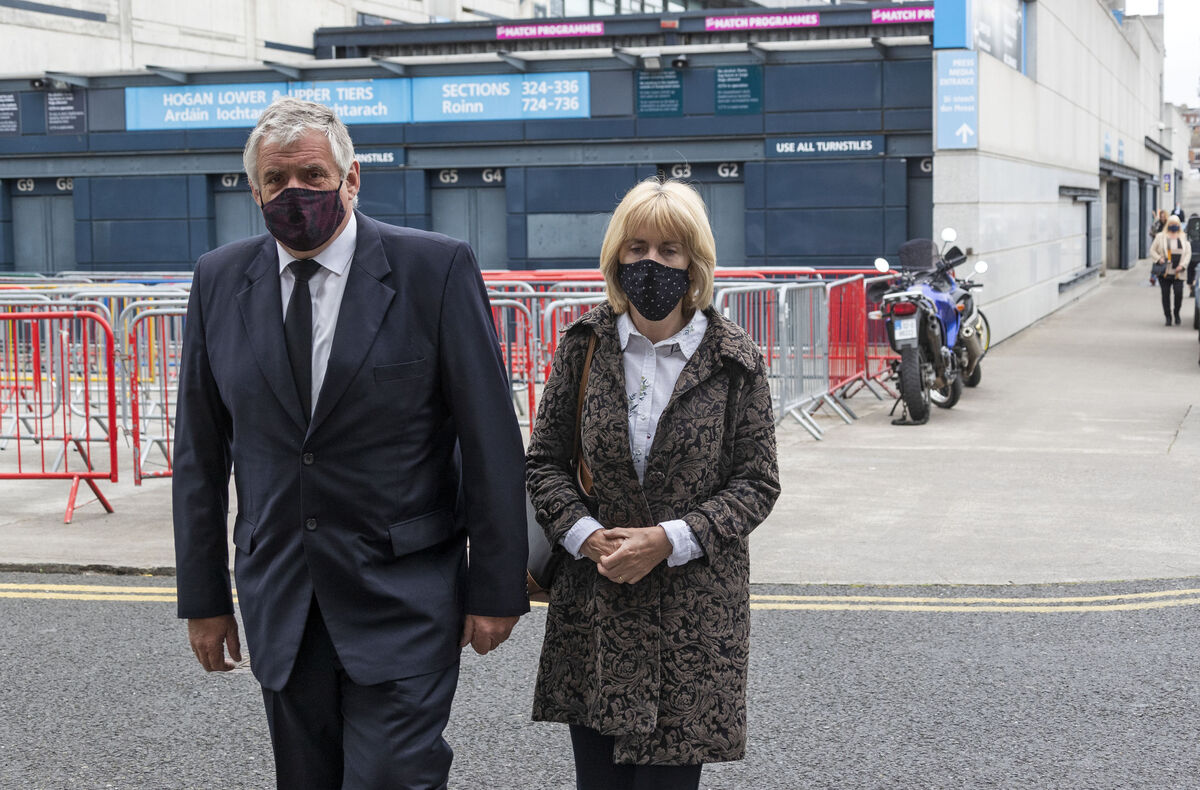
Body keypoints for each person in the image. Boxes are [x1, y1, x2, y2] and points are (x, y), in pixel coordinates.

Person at [172, 97, 529, 789]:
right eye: (276, 181)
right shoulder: (218, 280)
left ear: (352, 178)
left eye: (312, 174)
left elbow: (491, 441)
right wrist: (205, 598)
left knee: (393, 779)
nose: (294, 193)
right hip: (282, 601)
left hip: (403, 596)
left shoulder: (436, 270)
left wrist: (497, 586)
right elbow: (200, 457)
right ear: (254, 190)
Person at [526, 178, 780, 790]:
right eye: (636, 247)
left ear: (694, 260)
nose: (651, 263)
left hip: (691, 618)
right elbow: (543, 463)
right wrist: (586, 536)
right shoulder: (584, 343)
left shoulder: (733, 358)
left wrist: (670, 539)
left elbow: (757, 482)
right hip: (596, 610)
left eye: (670, 250)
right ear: (617, 255)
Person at [1150, 214, 1191, 326]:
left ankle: (1176, 313)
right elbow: (1152, 250)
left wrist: (1182, 266)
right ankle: (1168, 316)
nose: (1173, 226)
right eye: (1171, 224)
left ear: (1179, 225)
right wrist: (1159, 259)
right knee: (1165, 294)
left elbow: (1188, 254)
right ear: (1168, 224)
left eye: (1176, 224)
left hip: (1178, 272)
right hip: (1165, 272)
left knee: (1178, 293)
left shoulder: (1184, 237)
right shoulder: (1160, 236)